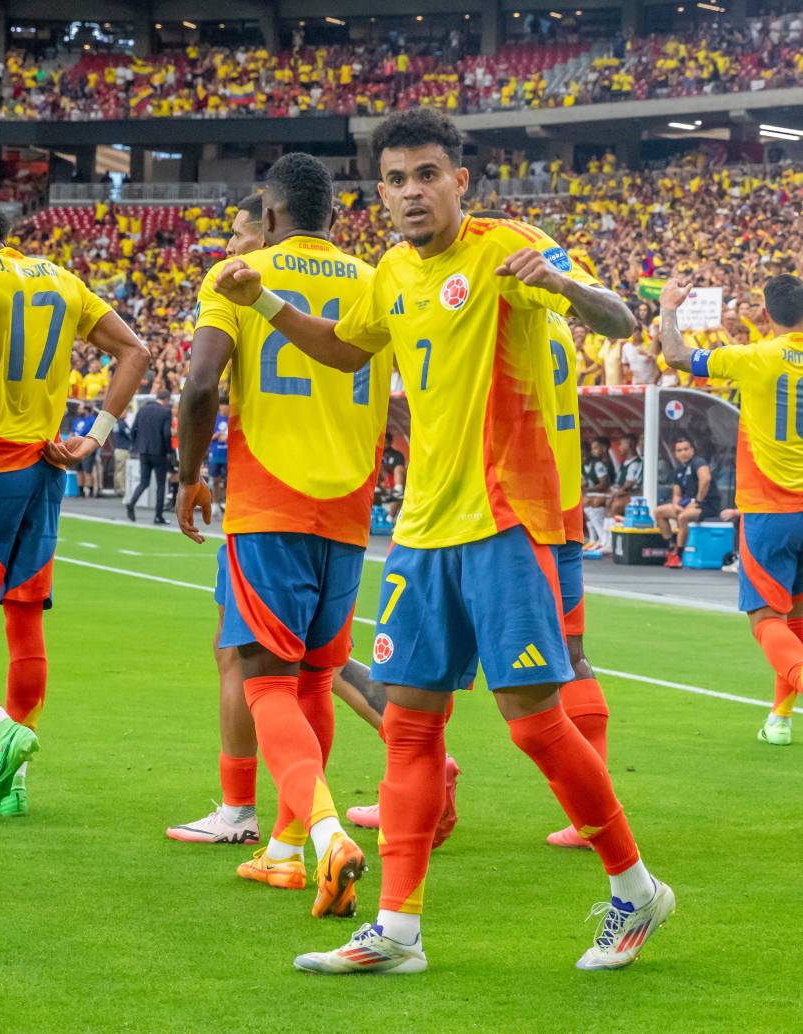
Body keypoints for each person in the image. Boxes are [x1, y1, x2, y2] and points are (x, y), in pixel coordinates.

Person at [214, 109, 672, 974]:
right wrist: (264, 303)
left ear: (462, 180)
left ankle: (636, 889)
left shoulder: (509, 248)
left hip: (505, 523)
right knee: (410, 729)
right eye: (396, 179)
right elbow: (346, 353)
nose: (412, 192)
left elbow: (619, 318)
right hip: (420, 533)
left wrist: (567, 287)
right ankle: (398, 931)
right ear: (379, 192)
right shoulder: (388, 271)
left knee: (533, 723)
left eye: (428, 174)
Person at [177, 152, 393, 918]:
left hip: (270, 499)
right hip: (351, 505)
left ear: (268, 213)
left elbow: (202, 383)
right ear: (334, 214)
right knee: (312, 680)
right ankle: (284, 848)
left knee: (263, 675)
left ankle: (328, 834)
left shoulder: (237, 274)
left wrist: (189, 475)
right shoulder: (377, 279)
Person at [0, 197, 149, 816]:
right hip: (48, 467)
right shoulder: (63, 278)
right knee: (24, 616)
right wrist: (93, 439)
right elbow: (136, 353)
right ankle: (15, 786)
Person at [660, 273, 803, 746]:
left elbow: (678, 356)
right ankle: (779, 721)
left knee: (765, 620)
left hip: (770, 509)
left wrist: (668, 307)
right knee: (795, 621)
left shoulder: (755, 357)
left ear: (765, 316)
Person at [654, 435, 720, 568]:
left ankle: (679, 555)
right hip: (688, 504)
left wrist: (698, 501)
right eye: (679, 450)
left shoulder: (698, 462)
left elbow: (705, 479)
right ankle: (671, 547)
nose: (683, 453)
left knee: (683, 517)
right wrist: (676, 505)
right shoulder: (679, 469)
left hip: (707, 505)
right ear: (675, 453)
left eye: (685, 449)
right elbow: (677, 494)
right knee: (658, 512)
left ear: (692, 450)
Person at [125, 389, 173, 524]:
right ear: (167, 399)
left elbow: (133, 429)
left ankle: (132, 502)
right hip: (159, 452)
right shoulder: (165, 412)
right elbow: (166, 434)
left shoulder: (142, 411)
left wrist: (136, 445)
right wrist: (169, 451)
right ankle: (158, 516)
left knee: (144, 482)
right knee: (160, 485)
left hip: (143, 451)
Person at [582, 436, 614, 549]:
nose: (582, 458)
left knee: (590, 502)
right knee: (583, 501)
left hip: (606, 493)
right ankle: (593, 538)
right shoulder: (582, 466)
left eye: (583, 455)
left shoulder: (597, 464)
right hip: (595, 493)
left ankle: (603, 539)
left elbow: (604, 485)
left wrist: (588, 489)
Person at [71, 401, 100, 498]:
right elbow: (72, 432)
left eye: (80, 408)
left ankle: (90, 491)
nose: (78, 410)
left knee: (88, 470)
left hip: (87, 447)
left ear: (86, 409)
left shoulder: (93, 420)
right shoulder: (76, 420)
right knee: (79, 470)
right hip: (76, 448)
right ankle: (81, 491)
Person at [207, 399, 229, 516]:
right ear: (219, 406)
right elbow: (206, 436)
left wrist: (228, 438)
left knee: (229, 481)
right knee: (215, 480)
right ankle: (214, 503)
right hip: (215, 454)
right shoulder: (214, 419)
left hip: (229, 454)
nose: (225, 407)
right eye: (223, 405)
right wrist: (216, 436)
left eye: (227, 405)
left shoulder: (234, 419)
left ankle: (227, 503)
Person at [112, 410, 131, 496]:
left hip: (117, 449)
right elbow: (129, 434)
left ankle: (117, 488)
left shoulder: (115, 423)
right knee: (122, 470)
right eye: (125, 412)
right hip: (123, 449)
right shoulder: (122, 423)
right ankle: (122, 489)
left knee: (118, 470)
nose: (126, 414)